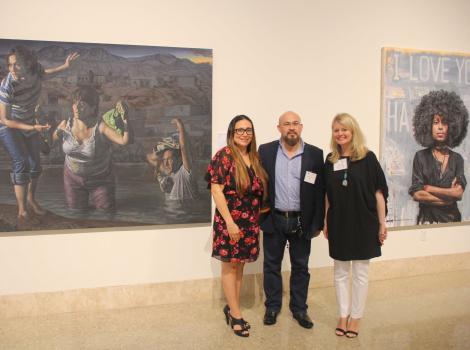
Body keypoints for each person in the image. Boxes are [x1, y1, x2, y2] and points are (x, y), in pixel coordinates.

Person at [323, 113, 388, 338]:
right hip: (339, 221)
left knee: (360, 272)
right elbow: (327, 195)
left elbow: (379, 192)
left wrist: (382, 223)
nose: (340, 134)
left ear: (353, 131)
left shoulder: (368, 158)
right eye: (336, 130)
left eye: (344, 130)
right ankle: (343, 315)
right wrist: (325, 220)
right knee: (340, 271)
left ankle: (356, 317)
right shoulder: (330, 159)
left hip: (364, 223)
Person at [258, 111, 325, 329]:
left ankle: (299, 309)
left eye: (295, 123)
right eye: (287, 124)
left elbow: (319, 191)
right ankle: (273, 306)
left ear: (301, 127)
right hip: (274, 218)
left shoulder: (315, 154)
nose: (291, 127)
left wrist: (318, 223)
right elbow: (259, 186)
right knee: (271, 266)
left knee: (300, 267)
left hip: (301, 221)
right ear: (279, 128)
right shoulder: (266, 151)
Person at [0, 45, 78, 226]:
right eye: (10, 65)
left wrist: (65, 67)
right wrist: (30, 127)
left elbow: (47, 73)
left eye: (16, 65)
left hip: (29, 124)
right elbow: (4, 119)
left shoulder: (35, 72)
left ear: (28, 64)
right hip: (9, 127)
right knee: (22, 162)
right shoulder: (7, 85)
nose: (12, 69)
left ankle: (31, 200)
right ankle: (22, 209)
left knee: (35, 164)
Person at [205, 115, 267, 337]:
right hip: (229, 221)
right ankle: (237, 314)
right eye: (239, 130)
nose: (244, 133)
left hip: (249, 222)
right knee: (230, 265)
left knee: (239, 265)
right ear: (232, 133)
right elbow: (216, 190)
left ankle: (233, 308)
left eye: (248, 129)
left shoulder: (254, 157)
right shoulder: (224, 155)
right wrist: (230, 222)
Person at [52, 86, 130, 211]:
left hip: (100, 178)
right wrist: (57, 134)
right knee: (76, 212)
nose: (76, 108)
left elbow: (123, 141)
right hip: (72, 177)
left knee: (105, 211)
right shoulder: (65, 124)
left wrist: (125, 120)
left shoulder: (101, 127)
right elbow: (53, 138)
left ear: (93, 108)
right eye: (75, 104)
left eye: (82, 105)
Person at [409, 90, 468, 224]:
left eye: (445, 123)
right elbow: (417, 194)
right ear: (427, 126)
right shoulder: (420, 157)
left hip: (452, 222)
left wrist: (429, 188)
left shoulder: (457, 159)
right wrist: (448, 197)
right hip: (426, 221)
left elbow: (458, 193)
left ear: (453, 127)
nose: (440, 128)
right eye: (436, 122)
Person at [146, 118, 198, 201]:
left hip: (184, 210)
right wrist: (161, 150)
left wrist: (180, 125)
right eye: (164, 160)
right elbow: (148, 158)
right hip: (171, 211)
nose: (166, 163)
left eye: (169, 159)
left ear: (178, 159)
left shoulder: (185, 172)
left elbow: (184, 149)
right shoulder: (169, 171)